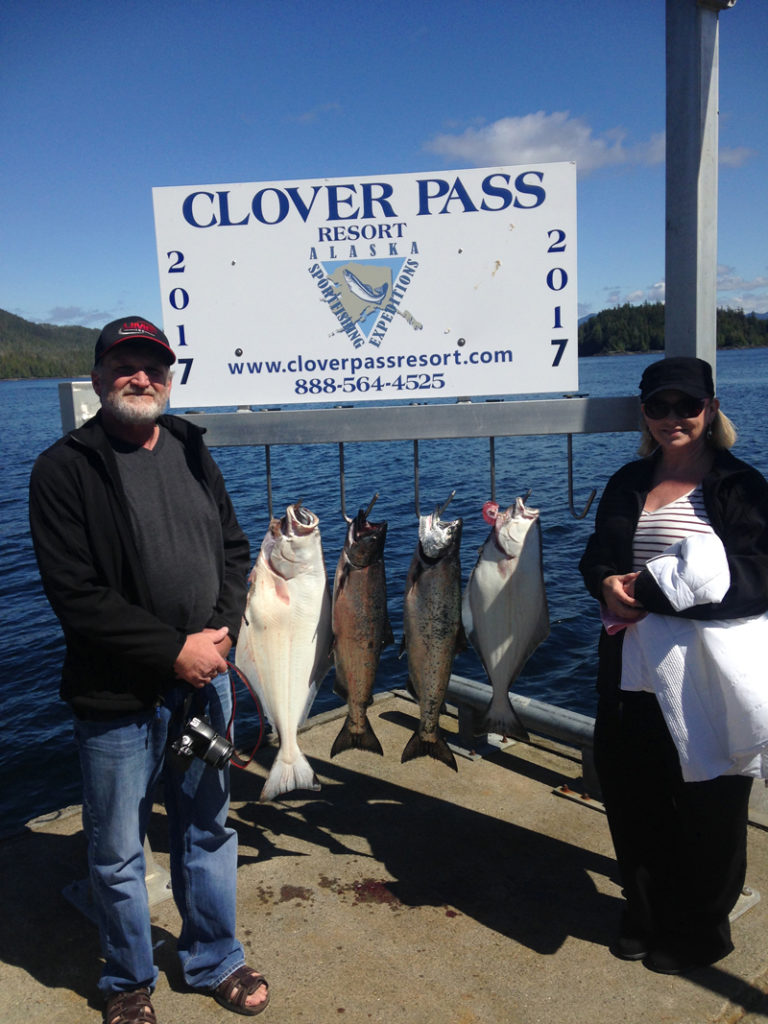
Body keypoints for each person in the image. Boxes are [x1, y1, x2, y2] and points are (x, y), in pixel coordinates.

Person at [29, 316, 269, 1022]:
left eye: (154, 366)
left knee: (207, 826)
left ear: (169, 377)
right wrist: (173, 649)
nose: (142, 377)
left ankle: (213, 958)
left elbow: (232, 543)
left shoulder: (193, 447)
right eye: (126, 365)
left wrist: (219, 634)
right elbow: (76, 596)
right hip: (116, 696)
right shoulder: (64, 468)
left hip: (207, 679)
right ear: (99, 378)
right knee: (115, 848)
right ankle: (129, 981)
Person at [579, 355, 768, 975]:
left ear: (711, 410)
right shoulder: (629, 481)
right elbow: (597, 558)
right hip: (631, 672)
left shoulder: (742, 485)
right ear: (644, 413)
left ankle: (701, 928)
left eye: (687, 405)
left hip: (710, 678)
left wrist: (665, 595)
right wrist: (607, 587)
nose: (672, 418)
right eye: (658, 406)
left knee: (713, 808)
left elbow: (760, 577)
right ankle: (645, 909)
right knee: (633, 796)